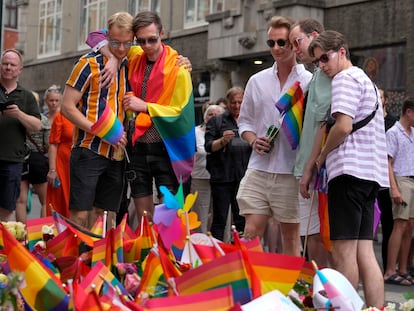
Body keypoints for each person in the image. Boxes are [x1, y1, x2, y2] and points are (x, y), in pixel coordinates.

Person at [86, 11, 195, 223]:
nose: (147, 46)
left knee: (169, 218)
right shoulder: (135, 54)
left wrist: (144, 106)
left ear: (162, 33)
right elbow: (94, 35)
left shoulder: (178, 67)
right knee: (145, 218)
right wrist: (110, 58)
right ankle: (147, 255)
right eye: (141, 41)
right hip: (137, 148)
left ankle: (168, 256)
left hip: (166, 149)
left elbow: (180, 112)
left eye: (152, 39)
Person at [309, 30, 389, 308]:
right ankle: (376, 308)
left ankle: (348, 307)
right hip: (371, 175)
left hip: (349, 171)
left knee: (344, 252)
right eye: (316, 62)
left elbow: (342, 126)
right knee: (365, 251)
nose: (321, 65)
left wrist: (321, 156)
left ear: (342, 51)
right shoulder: (366, 81)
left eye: (324, 58)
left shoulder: (343, 79)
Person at [236, 16, 312, 256]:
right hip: (259, 167)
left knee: (291, 238)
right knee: (251, 231)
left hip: (292, 171)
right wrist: (252, 140)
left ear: (293, 44)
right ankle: (251, 286)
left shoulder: (308, 81)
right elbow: (245, 121)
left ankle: (291, 292)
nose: (276, 48)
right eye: (271, 43)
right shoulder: (256, 81)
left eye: (282, 42)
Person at [61, 12, 130, 229]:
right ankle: (77, 261)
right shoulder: (87, 63)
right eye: (115, 42)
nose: (120, 48)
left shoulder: (131, 63)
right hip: (88, 150)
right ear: (106, 36)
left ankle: (101, 261)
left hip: (117, 154)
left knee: (106, 216)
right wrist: (101, 131)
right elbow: (66, 106)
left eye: (126, 43)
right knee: (81, 213)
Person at [289, 18, 331, 266]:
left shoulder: (326, 74)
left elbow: (325, 124)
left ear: (314, 36)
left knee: (316, 236)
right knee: (312, 235)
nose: (295, 48)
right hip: (311, 167)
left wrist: (309, 169)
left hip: (316, 171)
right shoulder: (317, 74)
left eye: (298, 42)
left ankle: (327, 294)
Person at [0, 48, 41, 221]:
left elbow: (37, 125)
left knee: (8, 206)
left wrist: (19, 114)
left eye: (12, 64)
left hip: (12, 161)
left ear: (20, 69)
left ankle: (2, 244)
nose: (8, 67)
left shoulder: (27, 97)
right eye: (5, 64)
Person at [205, 86, 250, 241]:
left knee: (241, 220)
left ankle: (240, 251)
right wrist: (222, 141)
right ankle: (215, 253)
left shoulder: (249, 120)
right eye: (233, 102)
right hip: (221, 178)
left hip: (243, 178)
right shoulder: (217, 121)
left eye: (240, 102)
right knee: (219, 219)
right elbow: (208, 146)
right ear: (227, 102)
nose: (237, 106)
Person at [383, 98, 414, 286]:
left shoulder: (413, 133)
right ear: (409, 112)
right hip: (401, 179)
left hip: (412, 179)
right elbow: (387, 161)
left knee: (410, 225)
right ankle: (390, 270)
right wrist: (393, 187)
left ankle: (403, 269)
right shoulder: (393, 132)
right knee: (399, 225)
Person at [15, 90, 52, 222]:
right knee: (44, 200)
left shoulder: (16, 117)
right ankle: (41, 234)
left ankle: (22, 236)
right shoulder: (44, 120)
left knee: (20, 201)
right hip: (38, 160)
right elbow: (48, 144)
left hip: (20, 158)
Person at [191, 104, 224, 233]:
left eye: (217, 115)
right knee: (200, 216)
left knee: (221, 216)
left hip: (221, 179)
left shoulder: (226, 134)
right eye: (211, 114)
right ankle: (200, 247)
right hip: (200, 177)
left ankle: (223, 247)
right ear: (205, 116)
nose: (213, 117)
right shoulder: (195, 132)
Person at [376, 88, 398, 271]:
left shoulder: (393, 123)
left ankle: (387, 267)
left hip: (385, 178)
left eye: (381, 96)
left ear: (386, 100)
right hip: (370, 176)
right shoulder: (370, 120)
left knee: (389, 223)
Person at [46, 86, 73, 218]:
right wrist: (52, 170)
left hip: (81, 164)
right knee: (60, 201)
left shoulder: (89, 113)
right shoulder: (60, 116)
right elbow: (53, 144)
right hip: (62, 164)